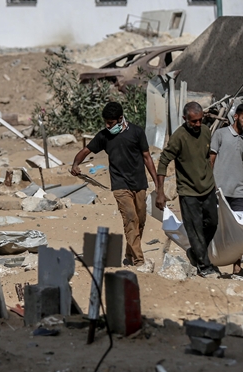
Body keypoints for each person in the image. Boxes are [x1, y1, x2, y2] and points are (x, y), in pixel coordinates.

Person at [70, 102, 157, 267]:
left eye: (110, 123)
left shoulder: (136, 132)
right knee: (130, 218)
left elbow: (147, 157)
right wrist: (75, 164)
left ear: (120, 118)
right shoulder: (104, 136)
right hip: (120, 185)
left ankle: (130, 254)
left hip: (139, 183)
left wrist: (157, 183)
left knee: (140, 220)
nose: (108, 126)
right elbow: (86, 151)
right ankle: (139, 260)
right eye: (106, 122)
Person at [156, 102, 219, 278]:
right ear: (185, 119)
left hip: (207, 188)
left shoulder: (206, 131)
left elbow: (206, 158)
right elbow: (163, 161)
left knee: (212, 223)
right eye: (193, 121)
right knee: (195, 229)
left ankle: (195, 253)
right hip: (188, 191)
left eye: (200, 120)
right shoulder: (178, 137)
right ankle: (204, 266)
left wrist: (211, 178)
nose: (198, 124)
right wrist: (160, 192)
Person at [209, 103, 243, 275]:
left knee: (238, 230)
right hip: (219, 191)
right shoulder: (220, 134)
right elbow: (211, 160)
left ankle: (237, 267)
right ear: (236, 116)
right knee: (215, 228)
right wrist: (210, 184)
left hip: (238, 193)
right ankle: (211, 263)